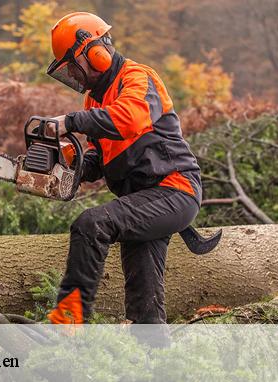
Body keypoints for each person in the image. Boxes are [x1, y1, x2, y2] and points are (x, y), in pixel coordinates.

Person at [45, 12, 202, 325]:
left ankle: (68, 322)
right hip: (144, 201)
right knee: (144, 299)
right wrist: (66, 166)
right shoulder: (94, 101)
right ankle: (154, 356)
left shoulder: (137, 77)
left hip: (174, 189)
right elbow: (99, 159)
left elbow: (128, 119)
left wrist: (70, 122)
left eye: (73, 67)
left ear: (96, 53)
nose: (74, 76)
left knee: (92, 224)